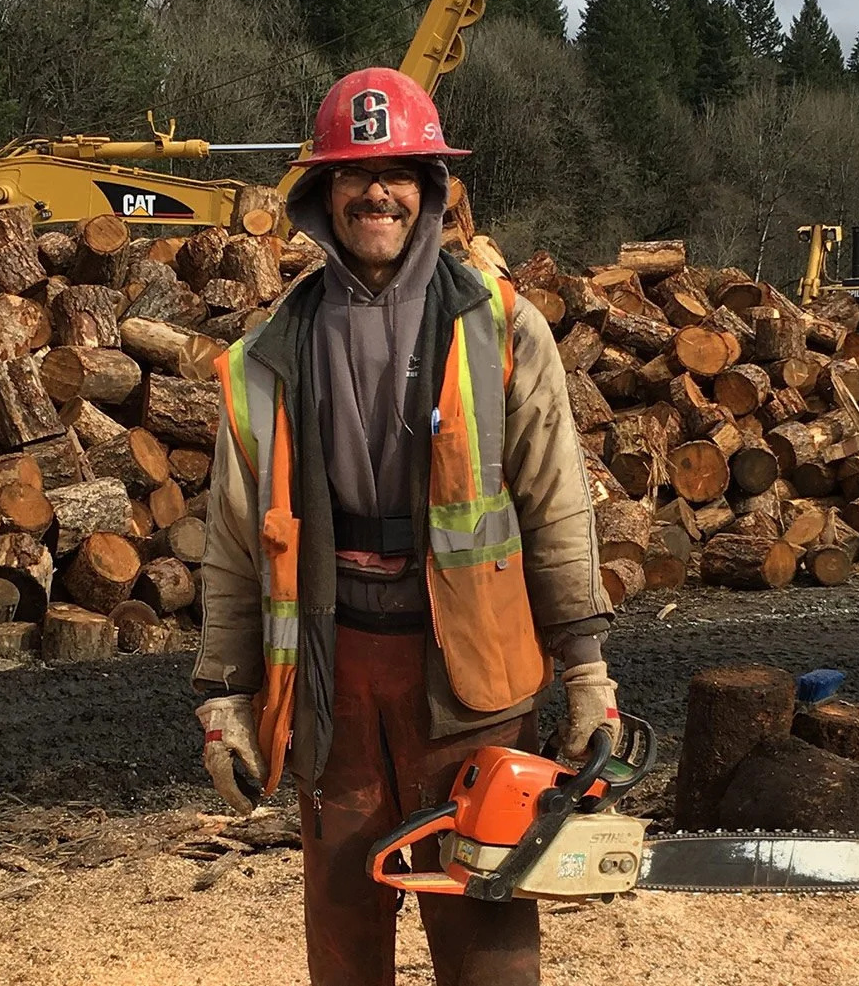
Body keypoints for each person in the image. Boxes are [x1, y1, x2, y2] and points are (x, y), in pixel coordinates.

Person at [192, 67, 618, 986]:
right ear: (323, 194)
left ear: (431, 188)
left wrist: (587, 675)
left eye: (400, 172)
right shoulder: (264, 358)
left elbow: (556, 508)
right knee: (344, 942)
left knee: (489, 947)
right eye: (355, 173)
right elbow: (235, 543)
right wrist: (225, 694)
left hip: (476, 682)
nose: (377, 191)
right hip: (329, 681)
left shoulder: (505, 328)